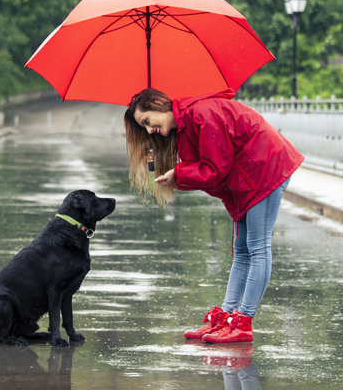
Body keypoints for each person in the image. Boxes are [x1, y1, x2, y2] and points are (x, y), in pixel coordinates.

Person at [124, 88, 304, 343]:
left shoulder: (202, 115)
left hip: (264, 167)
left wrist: (179, 173)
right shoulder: (185, 126)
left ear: (157, 105)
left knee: (257, 246)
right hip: (247, 175)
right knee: (241, 250)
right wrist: (168, 163)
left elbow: (215, 169)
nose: (148, 130)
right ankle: (227, 316)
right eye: (144, 127)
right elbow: (206, 169)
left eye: (147, 122)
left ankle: (243, 322)